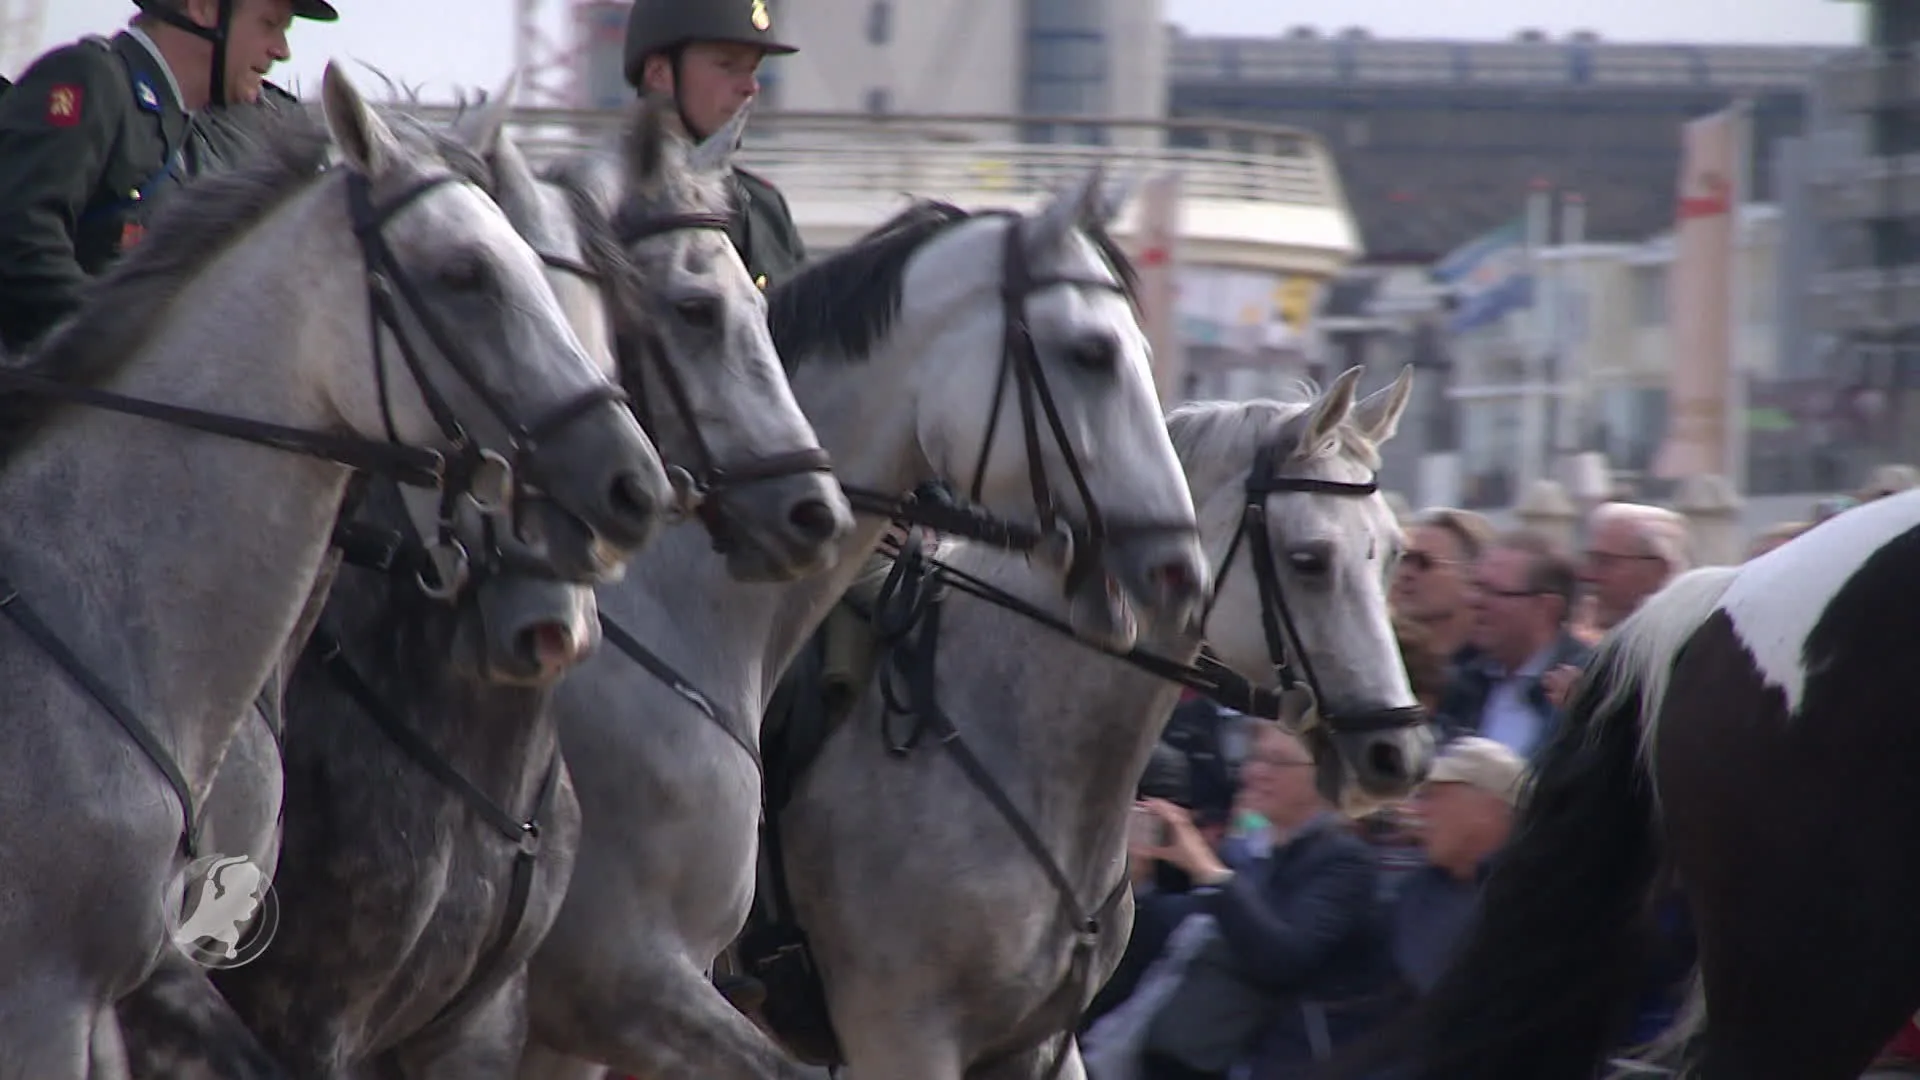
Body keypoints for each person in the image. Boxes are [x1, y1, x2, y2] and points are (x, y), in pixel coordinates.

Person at [0, 0, 336, 352]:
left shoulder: (227, 126)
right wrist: (123, 349)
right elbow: (20, 231)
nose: (281, 50)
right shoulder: (90, 78)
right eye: (269, 24)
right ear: (203, 9)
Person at [621, 0, 807, 291]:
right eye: (728, 65)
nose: (750, 87)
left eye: (753, 69)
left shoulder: (764, 207)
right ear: (658, 74)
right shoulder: (602, 204)